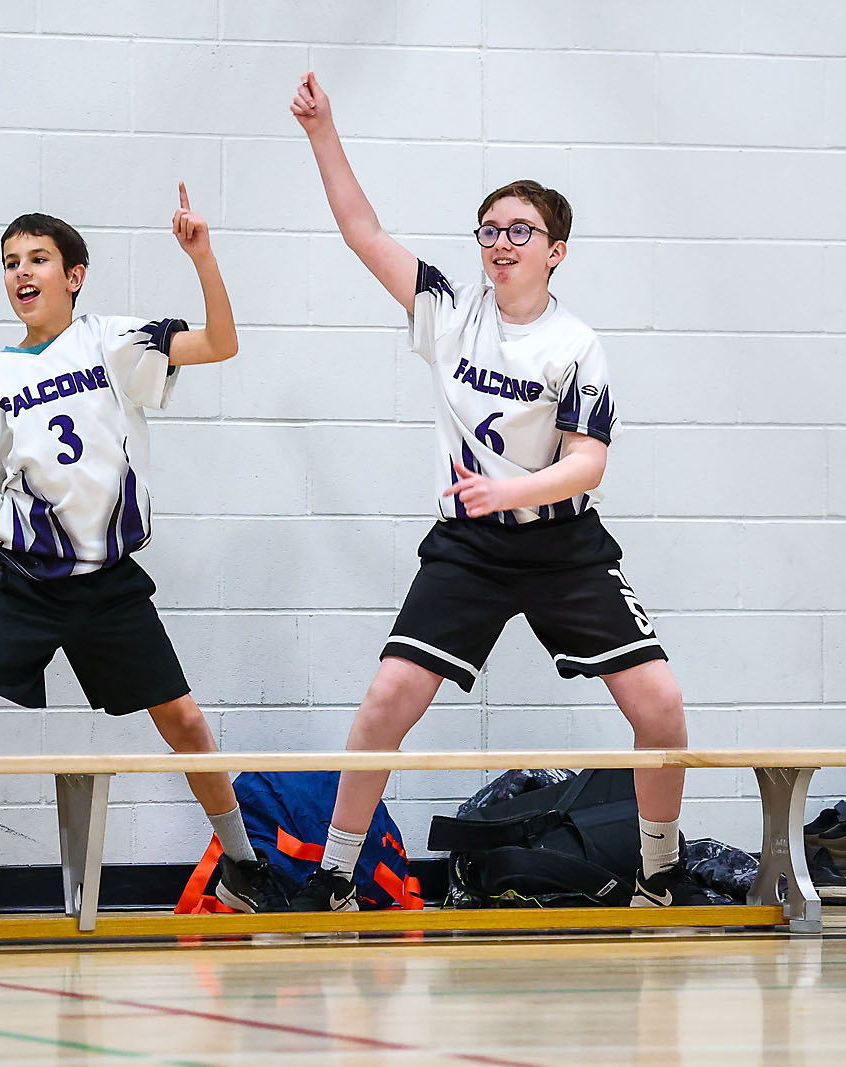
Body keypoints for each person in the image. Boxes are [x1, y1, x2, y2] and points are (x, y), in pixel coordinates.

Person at [278, 73, 719, 911]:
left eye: (522, 229)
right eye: (490, 228)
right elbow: (360, 228)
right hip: (472, 547)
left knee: (660, 705)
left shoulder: (576, 343)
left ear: (556, 248)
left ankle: (658, 872)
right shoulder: (449, 311)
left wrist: (513, 488)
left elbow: (589, 463)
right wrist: (322, 129)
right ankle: (333, 875)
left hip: (562, 545)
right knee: (386, 701)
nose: (502, 241)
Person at [0, 187, 285, 917]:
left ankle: (243, 865)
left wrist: (203, 256)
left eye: (37, 258)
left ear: (74, 274)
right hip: (26, 577)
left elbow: (222, 341)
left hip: (108, 581)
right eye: (10, 262)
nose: (21, 272)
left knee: (187, 723)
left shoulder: (114, 342)